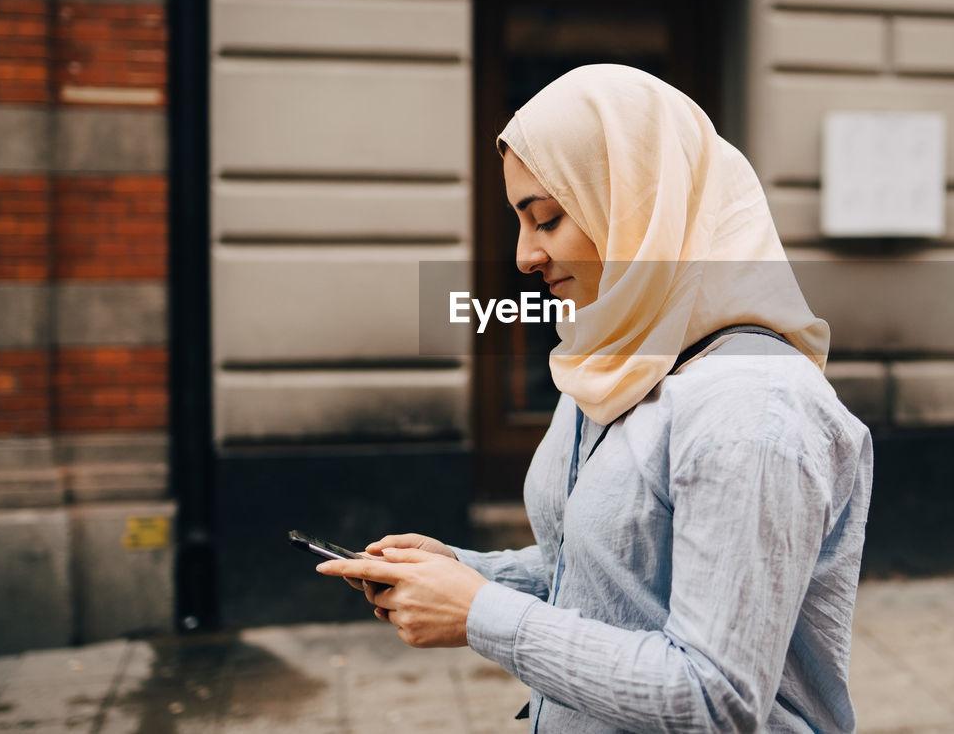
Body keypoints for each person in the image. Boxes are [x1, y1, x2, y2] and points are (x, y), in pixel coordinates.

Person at [317, 64, 874, 733]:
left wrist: (481, 613)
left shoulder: (755, 409)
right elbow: (606, 571)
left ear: (639, 210)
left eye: (546, 219)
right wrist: (460, 573)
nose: (525, 255)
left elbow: (713, 696)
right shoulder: (617, 357)